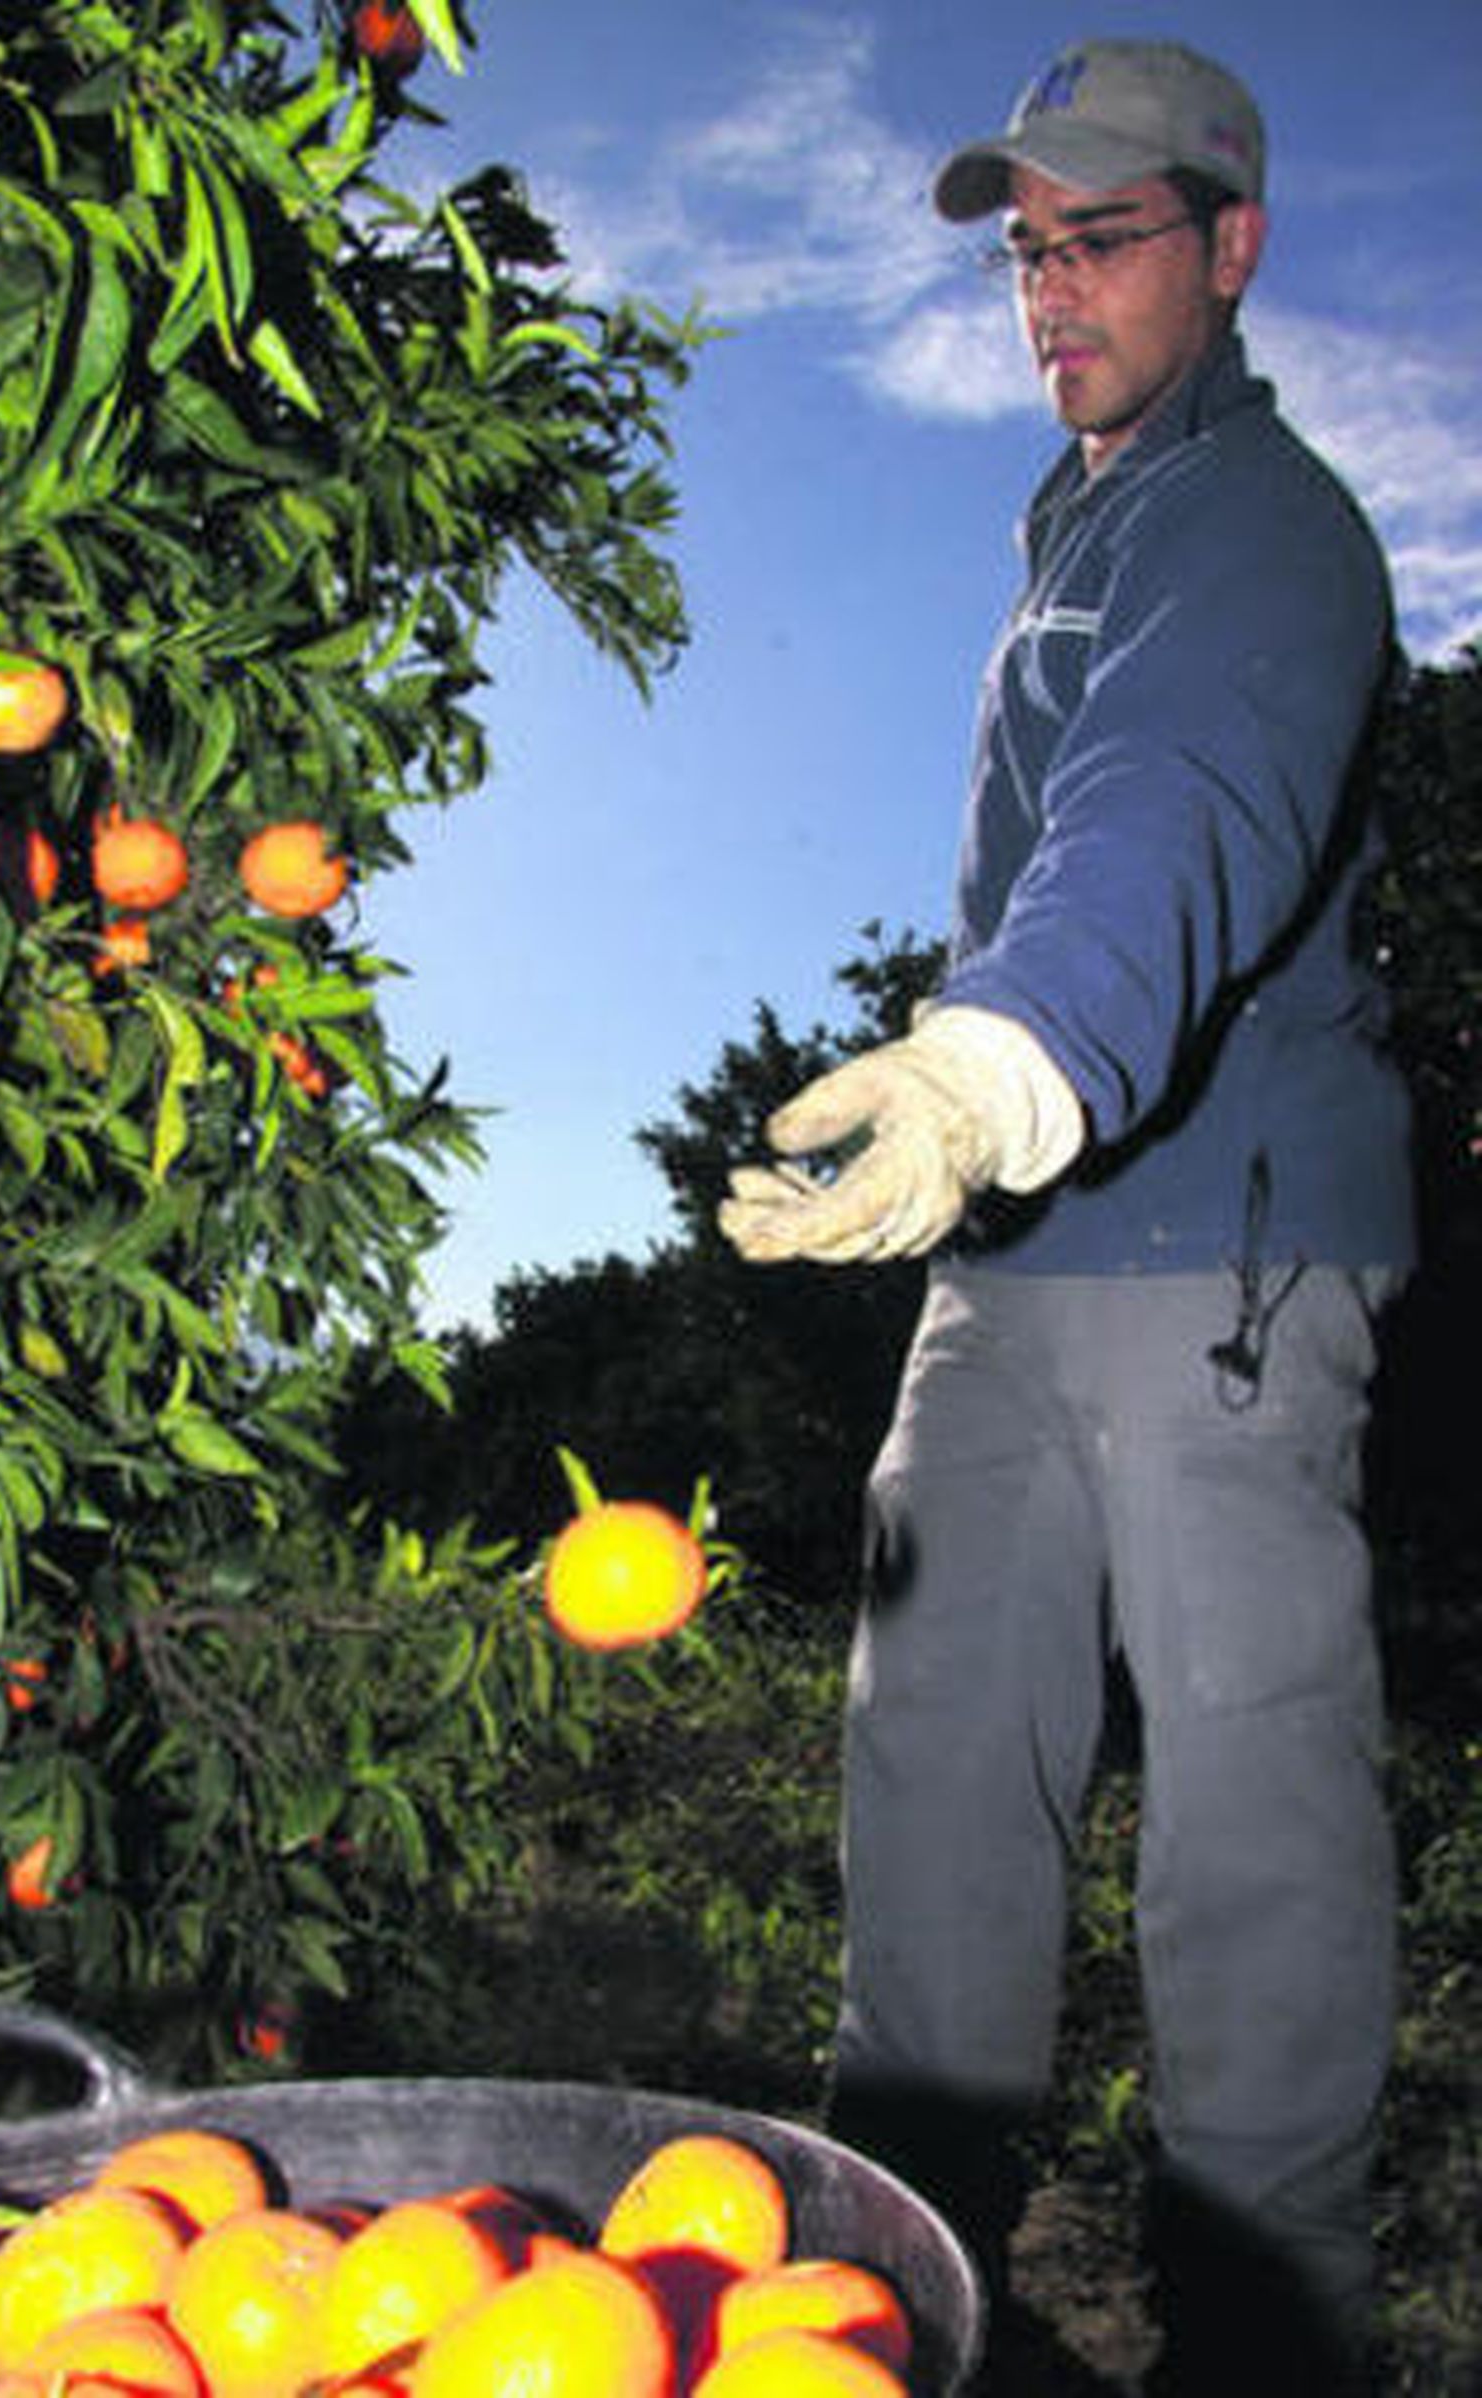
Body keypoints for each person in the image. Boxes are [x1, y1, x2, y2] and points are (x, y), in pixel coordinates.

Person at [720, 37, 1414, 2398]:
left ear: (1230, 246)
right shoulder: (1076, 528)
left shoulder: (1258, 527)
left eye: (1102, 234)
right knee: (927, 1764)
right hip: (1005, 1268)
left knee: (1246, 1819)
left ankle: (1260, 2322)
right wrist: (939, 1137)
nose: (1051, 288)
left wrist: (992, 1058)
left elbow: (1173, 801)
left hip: (1207, 1249)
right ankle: (902, 2265)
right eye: (1027, 245)